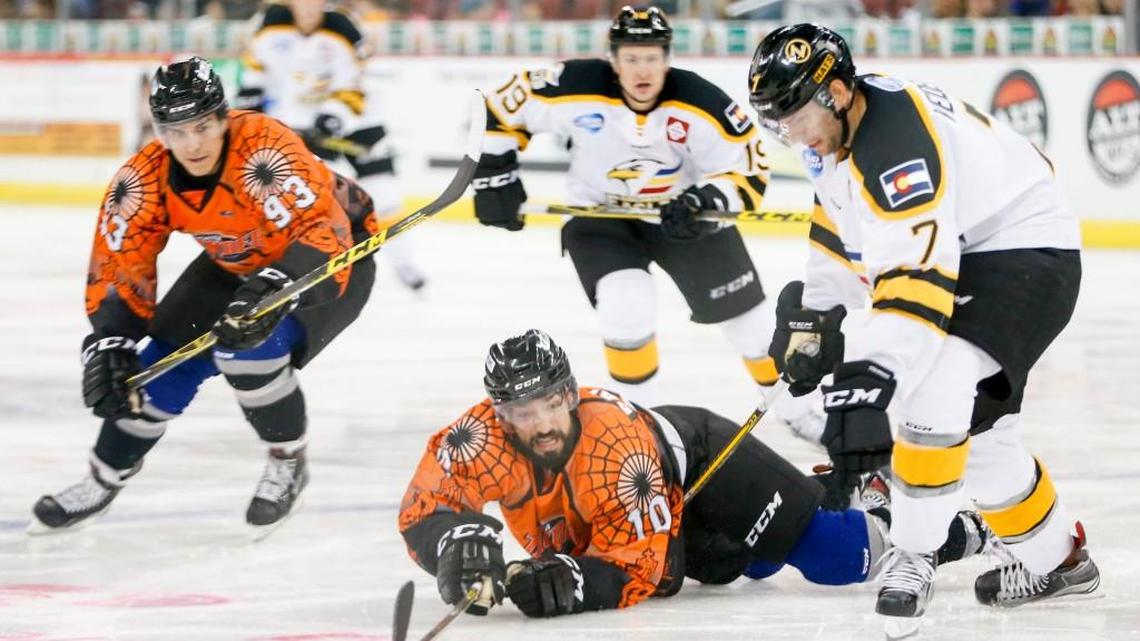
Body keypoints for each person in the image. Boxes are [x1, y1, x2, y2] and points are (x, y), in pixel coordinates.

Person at [747, 24, 1100, 618]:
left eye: (794, 114)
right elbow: (840, 226)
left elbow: (916, 289)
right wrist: (817, 312)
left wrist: (867, 383)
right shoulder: (837, 131)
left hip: (1025, 250)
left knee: (935, 385)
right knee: (984, 446)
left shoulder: (894, 148)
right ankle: (1061, 563)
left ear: (835, 91)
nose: (789, 132)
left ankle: (915, 552)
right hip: (973, 244)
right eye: (776, 120)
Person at [397, 329, 988, 617]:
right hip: (652, 510)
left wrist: (575, 586)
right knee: (750, 562)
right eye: (520, 412)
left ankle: (946, 529)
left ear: (570, 393)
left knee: (833, 558)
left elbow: (650, 570)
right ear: (498, 412)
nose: (540, 422)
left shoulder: (614, 448)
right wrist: (455, 545)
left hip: (702, 459)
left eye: (550, 402)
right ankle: (827, 492)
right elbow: (426, 507)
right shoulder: (482, 438)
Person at [29, 57, 380, 536]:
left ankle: (287, 459)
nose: (191, 144)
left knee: (246, 351)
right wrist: (110, 341)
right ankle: (105, 477)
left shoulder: (264, 149)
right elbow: (119, 264)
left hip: (331, 261)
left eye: (201, 126)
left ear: (221, 116)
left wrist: (280, 283)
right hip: (234, 264)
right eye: (175, 130)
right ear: (159, 130)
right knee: (151, 368)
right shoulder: (143, 179)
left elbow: (323, 230)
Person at [470, 6, 820, 432]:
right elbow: (497, 108)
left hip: (684, 218)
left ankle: (800, 415)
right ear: (613, 60)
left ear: (667, 59)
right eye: (632, 58)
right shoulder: (575, 85)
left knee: (753, 327)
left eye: (652, 57)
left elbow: (749, 167)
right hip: (601, 216)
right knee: (625, 301)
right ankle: (642, 429)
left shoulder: (700, 101)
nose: (643, 69)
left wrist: (706, 199)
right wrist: (494, 176)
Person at [237, 0, 428, 291]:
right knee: (292, 195)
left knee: (383, 192)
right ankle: (277, 264)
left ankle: (404, 262)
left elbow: (354, 85)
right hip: (300, 122)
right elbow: (255, 74)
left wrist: (332, 118)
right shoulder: (269, 25)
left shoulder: (343, 29)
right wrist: (251, 105)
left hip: (359, 121)